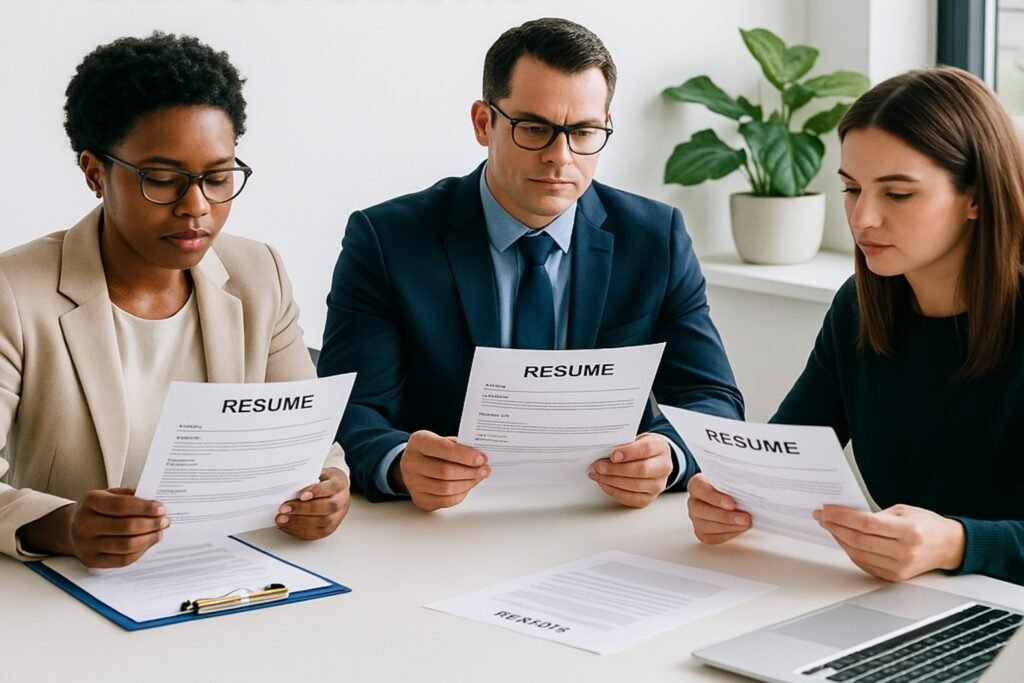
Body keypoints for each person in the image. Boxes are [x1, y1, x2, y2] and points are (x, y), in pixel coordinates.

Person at [318, 17, 743, 512]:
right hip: (440, 525)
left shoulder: (655, 239)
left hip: (601, 516)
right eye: (535, 128)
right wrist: (397, 463)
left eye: (583, 131)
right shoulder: (388, 240)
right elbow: (351, 408)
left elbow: (711, 396)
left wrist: (667, 455)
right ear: (484, 123)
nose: (559, 156)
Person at [0, 33, 349, 567]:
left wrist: (327, 487)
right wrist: (62, 526)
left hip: (229, 573)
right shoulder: (15, 293)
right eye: (162, 180)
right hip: (64, 600)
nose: (196, 207)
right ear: (95, 172)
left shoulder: (259, 273)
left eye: (217, 177)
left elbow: (305, 436)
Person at [686, 66, 1024, 585]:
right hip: (911, 602)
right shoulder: (859, 310)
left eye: (898, 194)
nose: (862, 217)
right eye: (851, 188)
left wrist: (959, 543)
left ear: (975, 197)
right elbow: (784, 455)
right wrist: (731, 496)